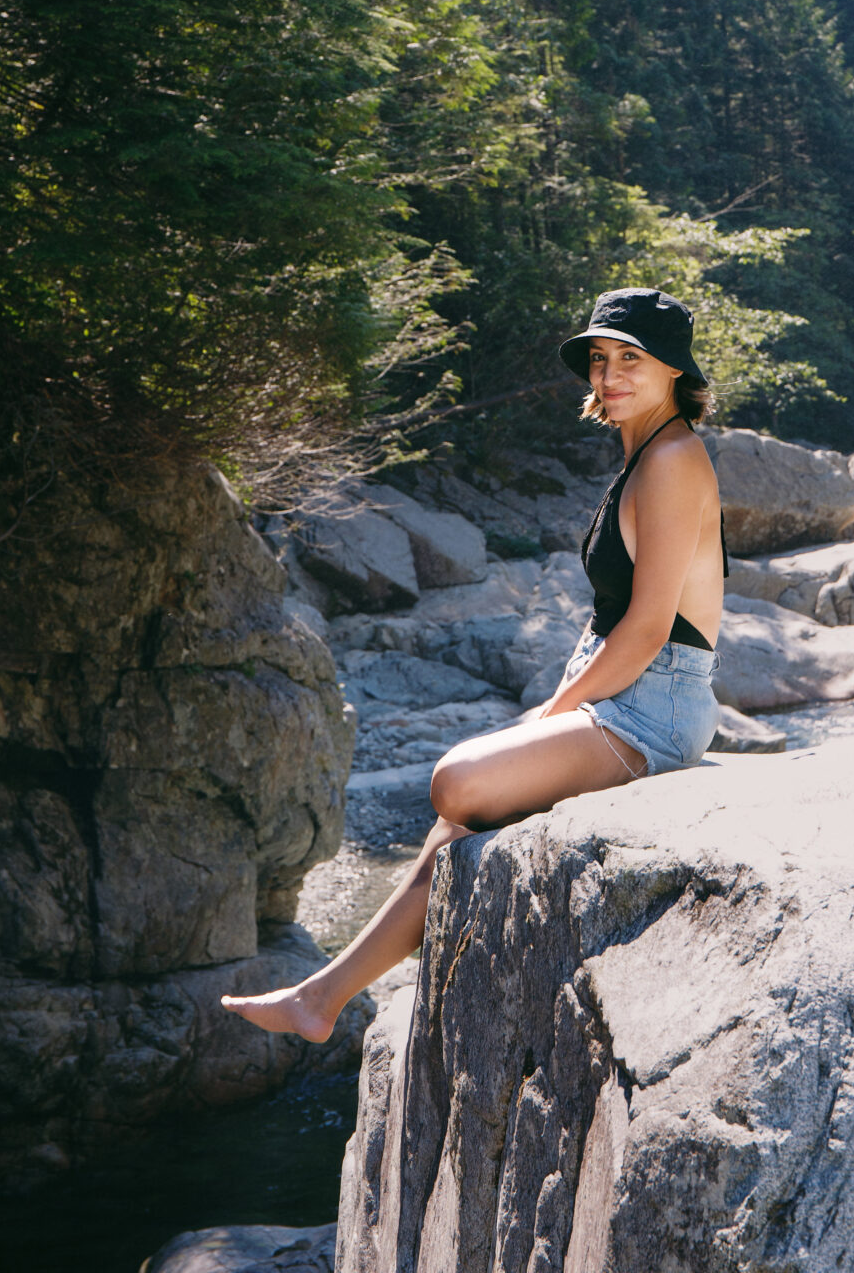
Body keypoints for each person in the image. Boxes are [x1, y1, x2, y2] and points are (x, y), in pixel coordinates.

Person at [221, 287, 726, 1042]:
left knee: (457, 779)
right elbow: (607, 624)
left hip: (657, 708)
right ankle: (321, 999)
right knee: (458, 824)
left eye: (631, 360)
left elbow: (650, 628)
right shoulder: (643, 454)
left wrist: (555, 714)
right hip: (617, 691)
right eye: (599, 359)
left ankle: (321, 998)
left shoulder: (674, 459)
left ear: (673, 372)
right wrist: (559, 704)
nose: (609, 376)